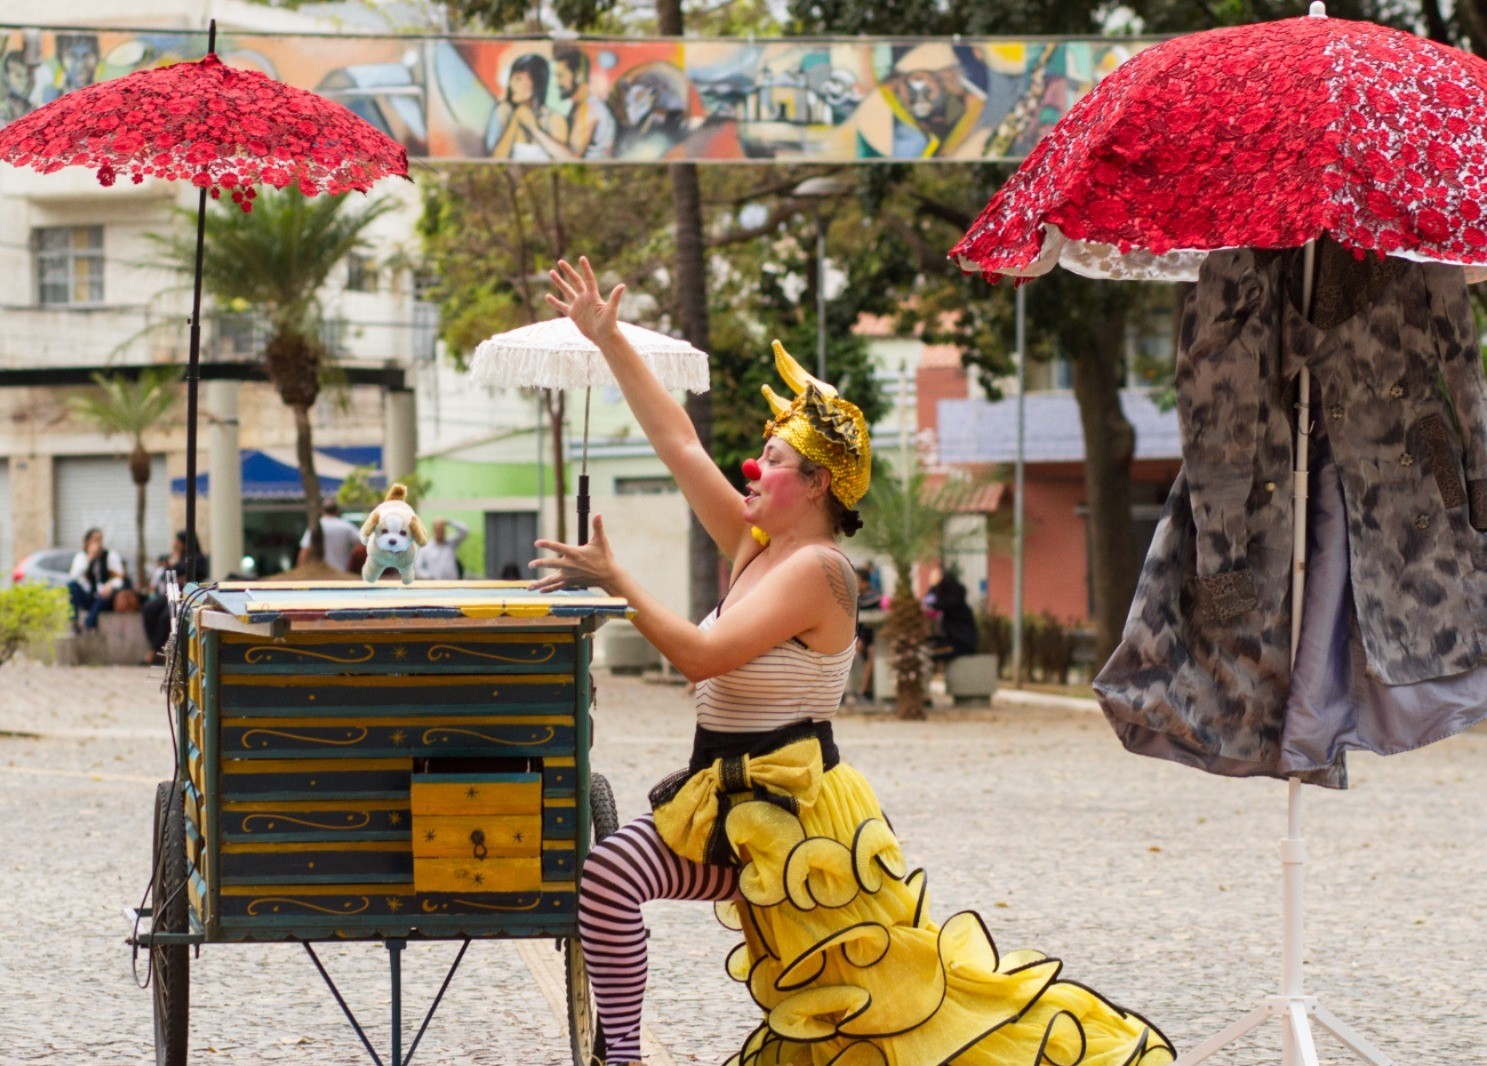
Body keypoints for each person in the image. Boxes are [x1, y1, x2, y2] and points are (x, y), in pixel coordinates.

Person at [531, 257, 1174, 1066]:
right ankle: (617, 1056)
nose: (752, 470)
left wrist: (620, 581)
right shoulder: (751, 541)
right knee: (612, 880)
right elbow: (677, 439)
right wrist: (608, 336)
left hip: (798, 819)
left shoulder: (822, 572)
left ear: (819, 483)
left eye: (772, 459)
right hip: (722, 799)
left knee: (882, 1006)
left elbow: (700, 658)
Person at [141, 531, 208, 666]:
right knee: (149, 609)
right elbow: (166, 576)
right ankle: (156, 645)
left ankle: (154, 652)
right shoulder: (176, 558)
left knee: (167, 616)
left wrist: (176, 566)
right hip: (172, 592)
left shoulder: (199, 559)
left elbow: (193, 574)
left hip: (187, 595)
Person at [485, 53, 569, 161]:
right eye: (516, 78)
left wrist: (534, 128)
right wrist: (515, 119)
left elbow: (567, 160)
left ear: (538, 82)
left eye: (520, 78)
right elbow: (496, 160)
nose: (512, 85)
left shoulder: (555, 119)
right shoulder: (505, 113)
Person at [67, 527, 127, 632]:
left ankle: (88, 623)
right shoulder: (81, 557)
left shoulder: (110, 555)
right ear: (87, 542)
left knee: (106, 595)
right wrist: (89, 559)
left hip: (105, 597)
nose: (97, 543)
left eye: (99, 539)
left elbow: (119, 578)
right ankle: (74, 623)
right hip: (89, 595)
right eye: (94, 540)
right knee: (71, 586)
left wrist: (110, 585)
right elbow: (74, 576)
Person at [926, 568, 979, 663]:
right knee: (929, 644)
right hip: (956, 641)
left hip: (961, 645)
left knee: (929, 654)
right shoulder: (957, 601)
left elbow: (931, 603)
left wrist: (933, 586)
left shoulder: (954, 602)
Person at [297, 498, 360, 572]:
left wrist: (300, 570)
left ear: (322, 511)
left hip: (321, 574)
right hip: (341, 573)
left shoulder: (316, 527)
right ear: (337, 511)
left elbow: (304, 551)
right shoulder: (346, 526)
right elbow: (363, 544)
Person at [852, 565, 881, 701]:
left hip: (875, 641)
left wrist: (861, 639)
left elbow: (869, 627)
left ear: (865, 583)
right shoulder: (854, 599)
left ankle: (862, 692)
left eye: (856, 580)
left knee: (872, 651)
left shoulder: (874, 599)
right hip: (859, 640)